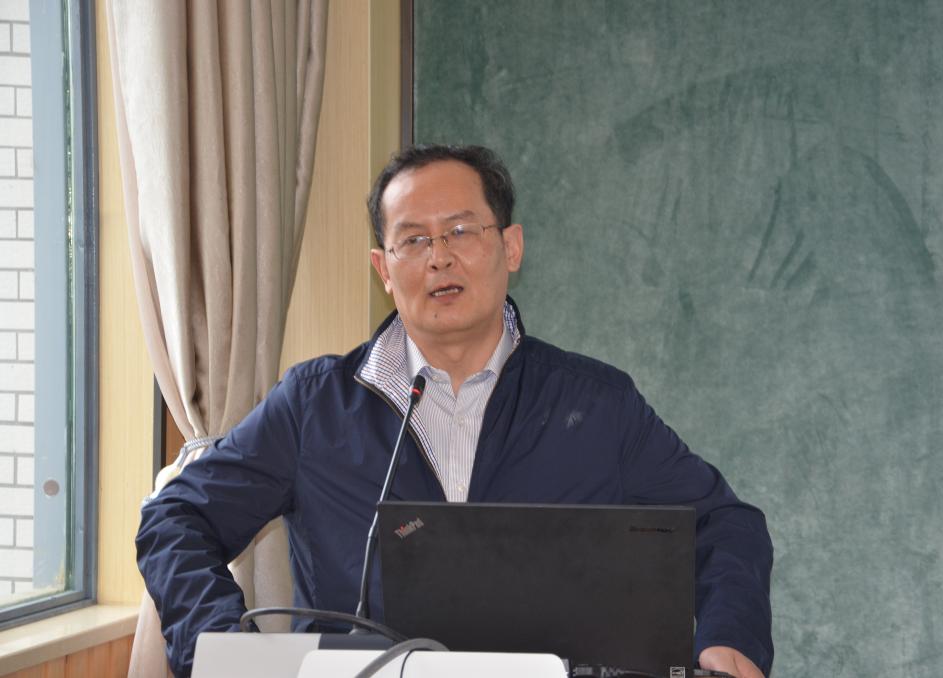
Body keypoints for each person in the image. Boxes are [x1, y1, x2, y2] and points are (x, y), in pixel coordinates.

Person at [137, 144, 774, 678]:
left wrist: (728, 636)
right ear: (384, 270)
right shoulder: (315, 404)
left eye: (462, 231)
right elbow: (175, 517)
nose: (439, 256)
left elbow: (724, 523)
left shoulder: (595, 404)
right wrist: (223, 646)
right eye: (413, 240)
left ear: (511, 247)